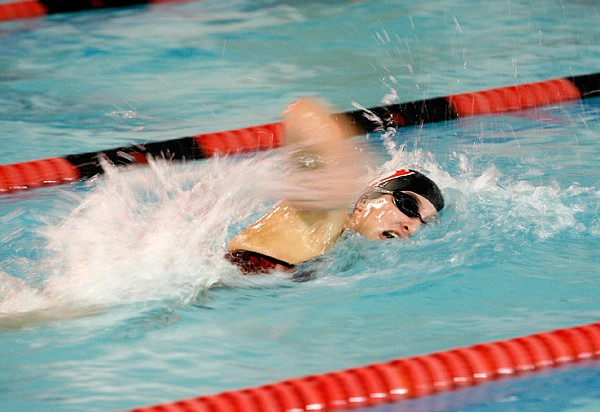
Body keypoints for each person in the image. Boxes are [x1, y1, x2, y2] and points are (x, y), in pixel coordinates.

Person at [226, 98, 444, 275]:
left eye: (423, 223)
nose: (412, 226)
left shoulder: (343, 251)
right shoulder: (326, 212)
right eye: (407, 205)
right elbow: (304, 112)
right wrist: (333, 175)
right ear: (365, 201)